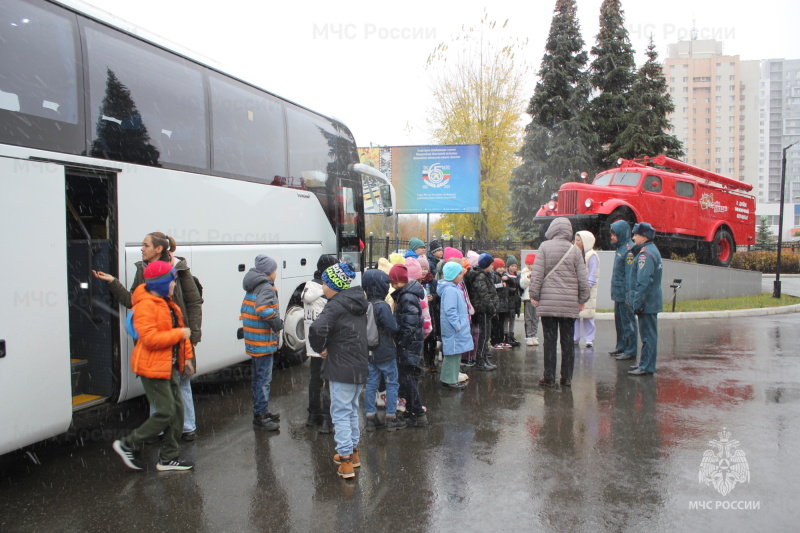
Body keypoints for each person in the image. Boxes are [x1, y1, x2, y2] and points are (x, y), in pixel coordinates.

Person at [94, 232, 202, 442]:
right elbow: (133, 300)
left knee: (181, 382)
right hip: (156, 339)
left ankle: (187, 428)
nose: (141, 249)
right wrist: (113, 282)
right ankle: (159, 431)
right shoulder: (142, 271)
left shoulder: (180, 269)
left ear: (158, 249)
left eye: (145, 245)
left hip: (176, 338)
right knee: (157, 383)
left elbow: (194, 302)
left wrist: (194, 334)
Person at [112, 261, 195, 471]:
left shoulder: (166, 302)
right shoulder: (146, 305)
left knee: (177, 412)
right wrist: (179, 334)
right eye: (172, 281)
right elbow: (150, 339)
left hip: (170, 367)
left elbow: (181, 333)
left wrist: (186, 359)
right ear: (161, 283)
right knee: (166, 412)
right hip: (152, 369)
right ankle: (128, 444)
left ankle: (168, 458)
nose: (174, 285)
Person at [307, 262, 367, 479]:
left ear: (334, 285)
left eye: (325, 283)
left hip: (341, 366)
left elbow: (316, 328)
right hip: (359, 365)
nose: (323, 287)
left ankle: (345, 462)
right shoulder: (358, 302)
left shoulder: (335, 305)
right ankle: (353, 452)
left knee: (340, 412)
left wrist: (320, 348)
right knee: (351, 409)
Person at [529, 218, 589, 387]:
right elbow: (582, 279)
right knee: (568, 341)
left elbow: (537, 275)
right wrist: (582, 299)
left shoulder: (544, 247)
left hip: (548, 304)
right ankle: (567, 377)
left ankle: (549, 376)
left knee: (549, 340)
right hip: (569, 304)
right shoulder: (575, 251)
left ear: (552, 229)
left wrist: (535, 295)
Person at [241, 255, 283, 431]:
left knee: (258, 378)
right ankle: (261, 417)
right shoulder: (266, 287)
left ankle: (261, 411)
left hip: (254, 338)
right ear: (268, 272)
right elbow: (262, 308)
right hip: (263, 341)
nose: (276, 273)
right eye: (274, 270)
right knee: (263, 380)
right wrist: (277, 324)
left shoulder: (253, 285)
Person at [362, 269, 406, 431]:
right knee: (392, 384)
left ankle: (370, 419)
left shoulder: (364, 304)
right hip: (385, 351)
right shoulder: (383, 306)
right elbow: (393, 327)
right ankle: (391, 418)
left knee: (371, 384)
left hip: (369, 352)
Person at [302, 254, 338, 434]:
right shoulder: (327, 290)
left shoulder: (308, 286)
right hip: (326, 342)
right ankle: (326, 419)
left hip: (312, 343)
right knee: (329, 380)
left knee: (315, 379)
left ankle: (312, 414)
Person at [389, 264, 428, 427]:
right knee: (407, 378)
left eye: (393, 282)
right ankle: (414, 410)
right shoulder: (407, 294)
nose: (392, 286)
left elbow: (410, 324)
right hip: (411, 343)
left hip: (408, 344)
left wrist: (402, 343)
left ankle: (417, 413)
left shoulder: (406, 297)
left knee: (407, 378)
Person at [627, 222, 663, 376]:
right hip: (651, 301)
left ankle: (647, 366)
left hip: (647, 302)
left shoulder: (645, 254)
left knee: (648, 336)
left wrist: (638, 303)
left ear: (643, 236)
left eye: (635, 235)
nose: (633, 238)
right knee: (648, 335)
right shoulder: (650, 250)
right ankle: (645, 364)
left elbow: (643, 281)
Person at [438, 262, 472, 389]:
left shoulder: (452, 288)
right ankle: (449, 380)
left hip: (455, 328)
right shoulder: (451, 290)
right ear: (453, 275)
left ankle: (451, 377)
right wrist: (457, 325)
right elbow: (450, 311)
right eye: (459, 273)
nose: (462, 275)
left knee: (455, 353)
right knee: (452, 354)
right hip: (454, 329)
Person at [608, 220, 639, 361]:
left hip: (624, 294)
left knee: (628, 322)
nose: (611, 236)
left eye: (614, 233)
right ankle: (621, 346)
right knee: (619, 322)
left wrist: (629, 296)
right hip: (618, 294)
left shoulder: (629, 250)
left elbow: (629, 276)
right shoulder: (620, 248)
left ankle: (630, 350)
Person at [463, 253, 498, 371]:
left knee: (486, 335)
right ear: (486, 265)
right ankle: (480, 360)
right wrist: (492, 308)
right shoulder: (480, 277)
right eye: (491, 264)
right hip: (483, 309)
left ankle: (483, 358)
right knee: (484, 335)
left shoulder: (485, 275)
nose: (493, 267)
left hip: (485, 309)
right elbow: (484, 295)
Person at [573, 231, 599, 348]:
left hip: (587, 290)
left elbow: (593, 274)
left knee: (588, 314)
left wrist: (586, 287)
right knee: (576, 315)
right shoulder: (576, 254)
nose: (576, 242)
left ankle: (589, 339)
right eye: (576, 240)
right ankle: (575, 337)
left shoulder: (592, 255)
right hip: (576, 289)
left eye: (579, 240)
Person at [519, 253, 539, 346]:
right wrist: (528, 278)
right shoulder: (524, 272)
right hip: (528, 297)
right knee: (529, 317)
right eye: (528, 264)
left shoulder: (539, 271)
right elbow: (522, 285)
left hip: (537, 298)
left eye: (531, 264)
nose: (530, 266)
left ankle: (534, 335)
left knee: (535, 318)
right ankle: (529, 336)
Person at [504, 255, 522, 347]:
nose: (513, 268)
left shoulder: (517, 276)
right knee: (507, 319)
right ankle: (506, 335)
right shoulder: (505, 275)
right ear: (508, 266)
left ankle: (512, 335)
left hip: (515, 301)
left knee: (513, 319)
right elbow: (506, 288)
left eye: (515, 266)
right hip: (508, 300)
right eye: (512, 266)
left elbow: (518, 283)